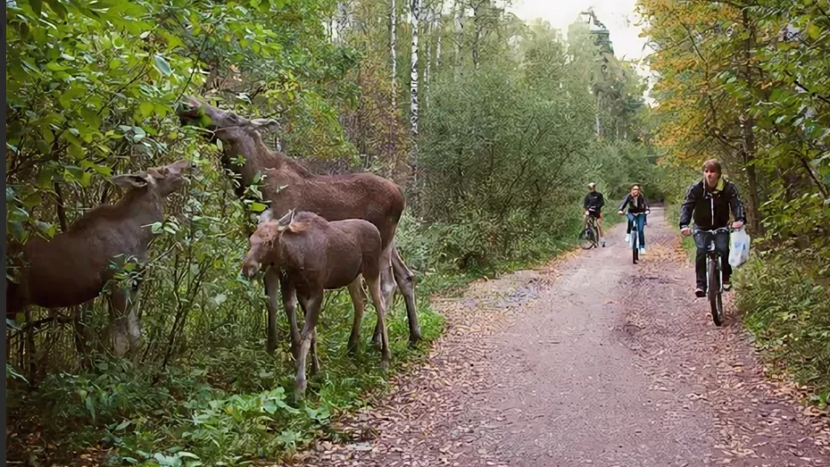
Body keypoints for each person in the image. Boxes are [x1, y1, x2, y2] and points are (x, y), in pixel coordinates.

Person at [679, 159, 746, 298]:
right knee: (702, 251)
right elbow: (687, 206)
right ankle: (701, 285)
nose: (709, 175)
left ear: (719, 174)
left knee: (723, 249)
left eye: (712, 171)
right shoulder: (697, 188)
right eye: (706, 171)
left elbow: (736, 203)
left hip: (721, 226)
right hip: (701, 226)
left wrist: (740, 219)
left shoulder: (728, 187)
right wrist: (684, 224)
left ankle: (726, 277)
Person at [618, 185, 650, 255]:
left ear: (639, 191)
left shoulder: (641, 196)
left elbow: (645, 204)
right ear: (631, 190)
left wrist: (647, 210)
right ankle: (628, 234)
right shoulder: (629, 196)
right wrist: (620, 210)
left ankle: (642, 247)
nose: (635, 191)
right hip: (631, 212)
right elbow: (624, 203)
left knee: (640, 230)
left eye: (637, 189)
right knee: (631, 220)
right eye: (634, 189)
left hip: (640, 213)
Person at [583, 182, 606, 247]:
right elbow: (585, 204)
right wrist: (586, 209)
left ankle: (602, 240)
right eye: (590, 188)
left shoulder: (599, 195)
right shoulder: (588, 196)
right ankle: (585, 231)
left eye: (592, 187)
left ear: (594, 187)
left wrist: (597, 206)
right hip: (590, 211)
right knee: (585, 217)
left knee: (599, 224)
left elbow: (602, 203)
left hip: (597, 211)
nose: (591, 189)